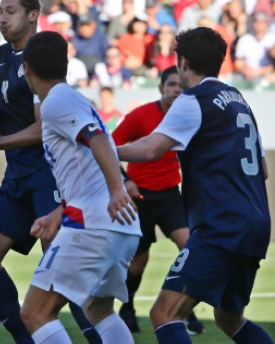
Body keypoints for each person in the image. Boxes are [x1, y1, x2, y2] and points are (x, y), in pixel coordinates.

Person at [116, 27, 273, 344]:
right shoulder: (237, 98)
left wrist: (97, 148)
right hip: (255, 222)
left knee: (164, 313)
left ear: (183, 62)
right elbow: (264, 169)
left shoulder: (192, 100)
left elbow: (149, 149)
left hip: (222, 224)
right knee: (229, 318)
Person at [0, 0, 100, 344]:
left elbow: (45, 127)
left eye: (10, 10)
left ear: (32, 14)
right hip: (17, 177)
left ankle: (100, 337)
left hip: (49, 175)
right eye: (0, 11)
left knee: (63, 269)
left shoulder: (42, 55)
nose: (2, 17)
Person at [18, 30, 141, 344]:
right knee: (98, 308)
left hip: (94, 224)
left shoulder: (54, 103)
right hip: (119, 224)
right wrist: (58, 215)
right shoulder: (77, 100)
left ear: (27, 67)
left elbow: (97, 139)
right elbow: (88, 165)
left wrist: (117, 189)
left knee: (35, 313)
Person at [110, 66, 203, 335]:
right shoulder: (141, 115)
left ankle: (183, 309)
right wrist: (125, 179)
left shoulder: (189, 117)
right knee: (138, 261)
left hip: (171, 195)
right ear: (161, 87)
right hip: (140, 198)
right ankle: (127, 308)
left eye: (180, 86)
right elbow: (109, 145)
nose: (176, 89)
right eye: (171, 84)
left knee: (191, 249)